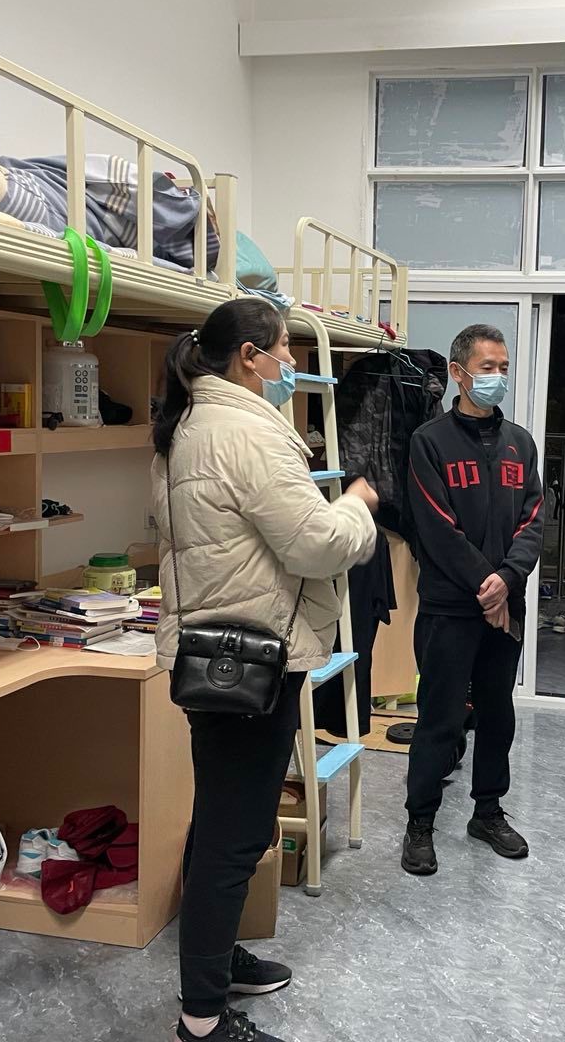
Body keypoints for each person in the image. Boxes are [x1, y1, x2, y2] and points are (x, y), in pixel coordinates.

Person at [153, 299, 379, 1042]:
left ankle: (216, 963)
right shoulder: (246, 431)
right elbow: (316, 544)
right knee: (235, 834)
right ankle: (201, 1019)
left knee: (227, 820)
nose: (292, 365)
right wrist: (358, 504)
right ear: (250, 356)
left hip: (224, 652)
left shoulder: (191, 422)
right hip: (249, 660)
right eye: (285, 349)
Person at [401, 324, 544, 876]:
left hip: (505, 606)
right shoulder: (429, 441)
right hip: (450, 607)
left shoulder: (520, 443)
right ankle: (420, 822)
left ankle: (487, 812)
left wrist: (507, 580)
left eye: (503, 367)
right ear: (458, 373)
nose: (498, 377)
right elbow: (436, 528)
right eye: (488, 368)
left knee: (497, 713)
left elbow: (533, 519)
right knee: (439, 717)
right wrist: (489, 585)